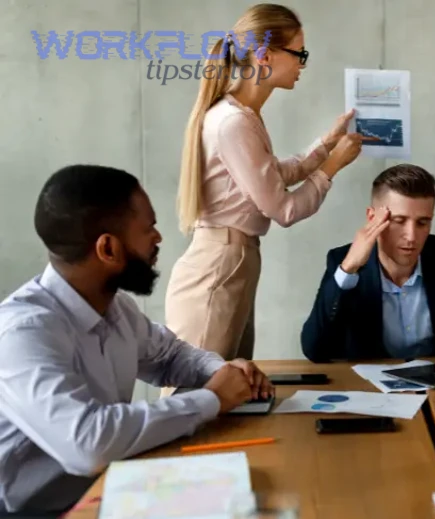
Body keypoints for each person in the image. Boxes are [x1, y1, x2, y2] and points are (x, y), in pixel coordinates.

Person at [0, 165, 273, 515]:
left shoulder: (114, 306)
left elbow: (170, 357)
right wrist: (212, 399)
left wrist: (225, 372)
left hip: (106, 489)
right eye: (148, 229)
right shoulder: (23, 333)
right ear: (108, 248)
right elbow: (89, 443)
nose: (158, 238)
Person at [165, 3, 369, 367]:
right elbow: (284, 209)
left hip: (232, 261)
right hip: (220, 265)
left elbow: (273, 175)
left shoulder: (242, 117)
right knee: (194, 394)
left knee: (226, 390)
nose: (302, 64)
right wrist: (333, 165)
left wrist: (325, 146)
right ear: (264, 56)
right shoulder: (233, 122)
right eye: (299, 53)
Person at [301, 164, 435, 362]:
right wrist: (348, 269)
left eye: (422, 223)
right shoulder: (342, 260)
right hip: (368, 391)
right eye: (399, 221)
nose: (411, 236)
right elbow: (315, 350)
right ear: (373, 218)